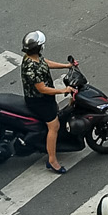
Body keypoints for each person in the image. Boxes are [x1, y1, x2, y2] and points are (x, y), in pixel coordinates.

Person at [19, 31, 78, 174]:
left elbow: (45, 64)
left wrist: (66, 66)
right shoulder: (30, 67)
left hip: (45, 99)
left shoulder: (32, 58)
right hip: (38, 101)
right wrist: (64, 90)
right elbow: (42, 89)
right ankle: (52, 160)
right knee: (54, 126)